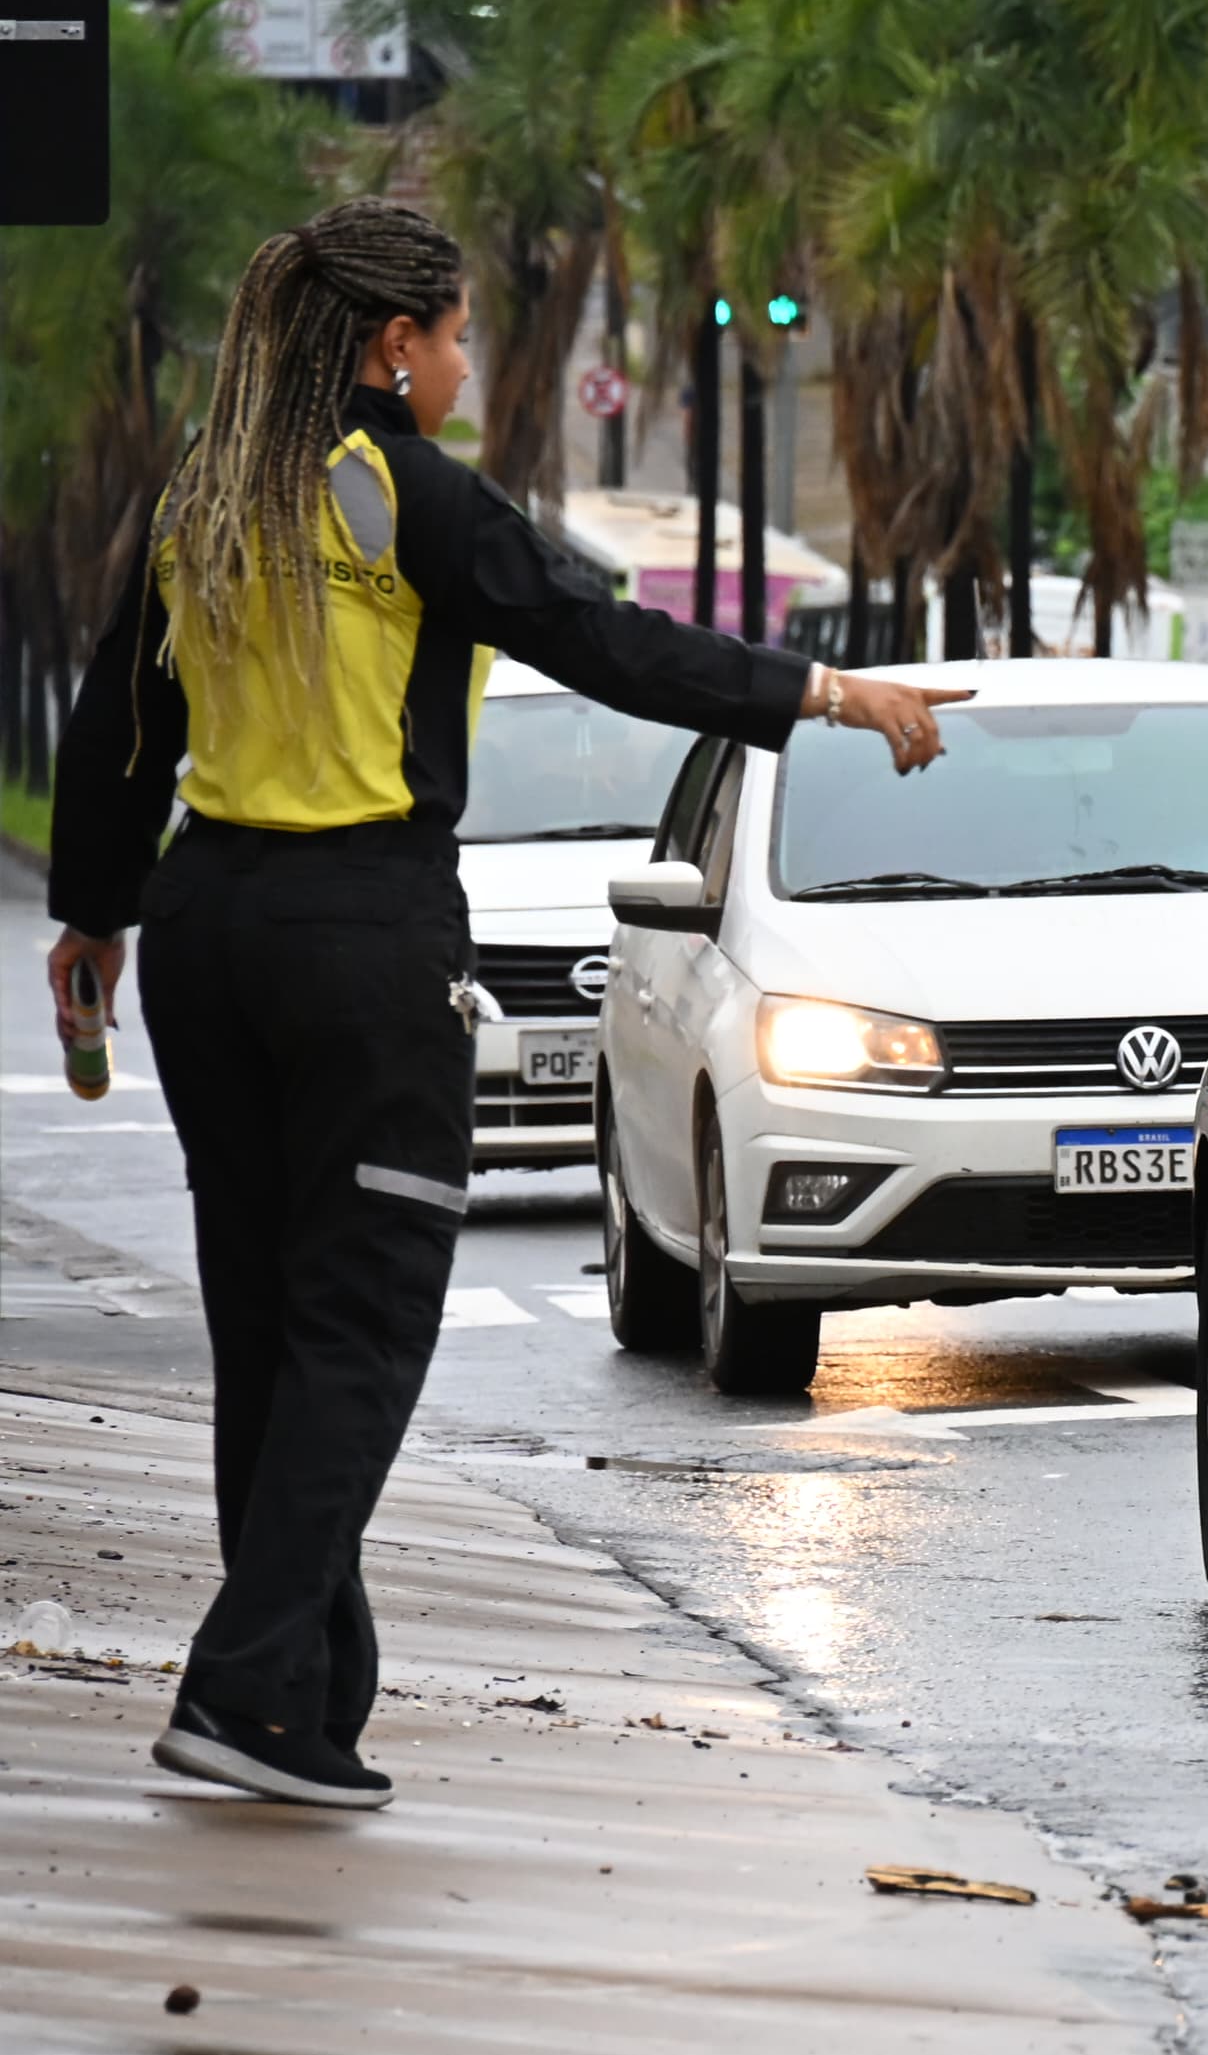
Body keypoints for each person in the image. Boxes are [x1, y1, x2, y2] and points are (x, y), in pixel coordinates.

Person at [40, 198, 965, 1814]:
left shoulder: (210, 489)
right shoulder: (399, 491)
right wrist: (827, 691)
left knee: (269, 1330)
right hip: (359, 938)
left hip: (203, 931)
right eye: (457, 334)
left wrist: (94, 914)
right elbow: (603, 639)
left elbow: (126, 700)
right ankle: (249, 1691)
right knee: (368, 1321)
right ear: (396, 349)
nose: (467, 362)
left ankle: (306, 1698)